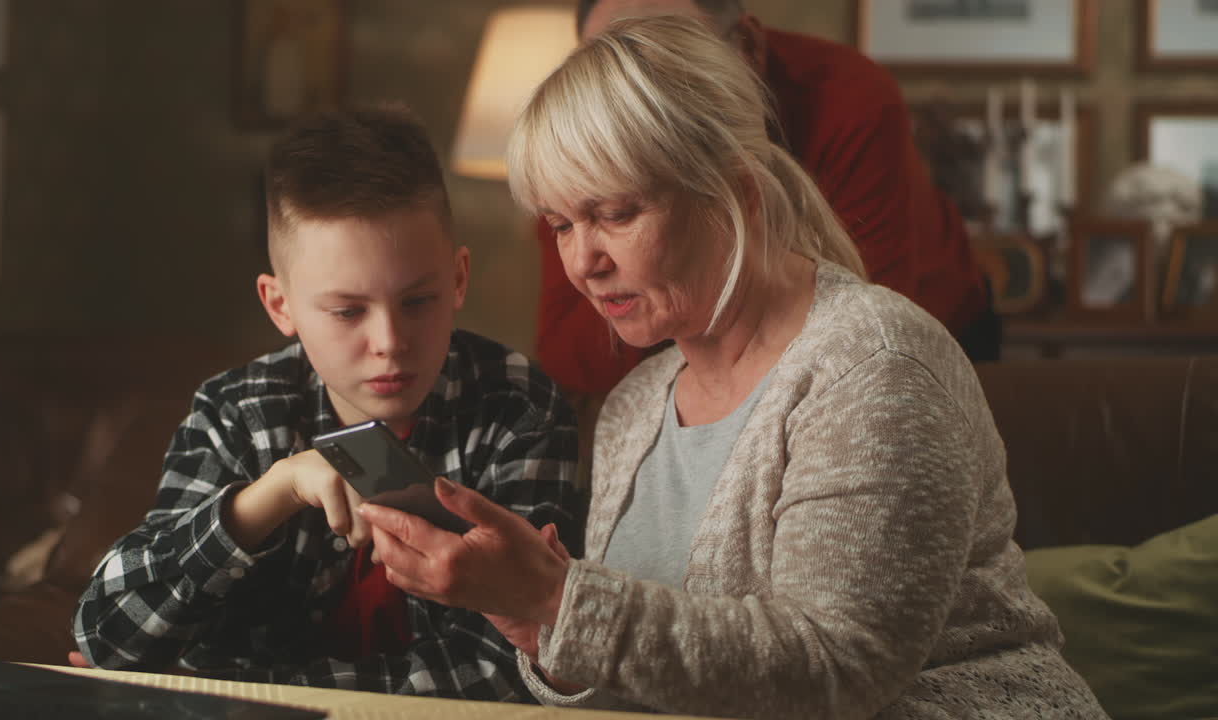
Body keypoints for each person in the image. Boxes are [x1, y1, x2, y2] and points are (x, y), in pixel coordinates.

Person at [357, 16, 1107, 718]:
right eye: (561, 224)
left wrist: (563, 600)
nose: (583, 261)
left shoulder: (874, 364)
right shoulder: (636, 406)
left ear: (736, 195)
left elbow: (843, 670)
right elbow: (650, 668)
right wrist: (532, 621)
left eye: (615, 213)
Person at [70, 106, 586, 700]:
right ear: (279, 306)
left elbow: (508, 672)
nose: (389, 343)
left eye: (417, 301)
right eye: (347, 312)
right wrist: (273, 493)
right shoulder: (236, 411)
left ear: (459, 278)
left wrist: (227, 689)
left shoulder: (519, 409)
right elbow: (106, 637)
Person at [536, 0, 998, 398]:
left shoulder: (851, 98)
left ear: (750, 48)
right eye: (604, 69)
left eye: (670, 69)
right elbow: (568, 360)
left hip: (944, 320)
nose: (632, 108)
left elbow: (859, 336)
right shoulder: (585, 159)